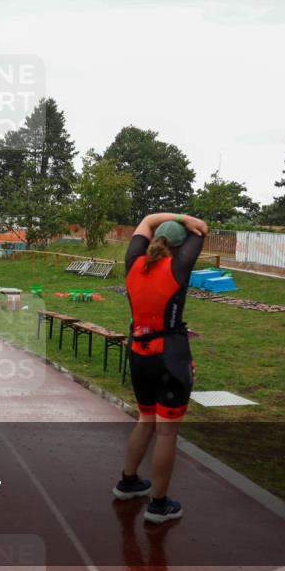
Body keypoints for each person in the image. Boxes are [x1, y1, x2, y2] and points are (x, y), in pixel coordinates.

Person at [113, 212, 207, 524]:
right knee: (166, 431)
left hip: (139, 353)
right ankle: (159, 504)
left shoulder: (134, 262)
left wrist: (180, 217)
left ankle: (128, 481)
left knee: (144, 420)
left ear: (153, 240)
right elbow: (202, 230)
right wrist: (191, 223)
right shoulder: (178, 266)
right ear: (180, 246)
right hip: (170, 355)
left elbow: (147, 220)